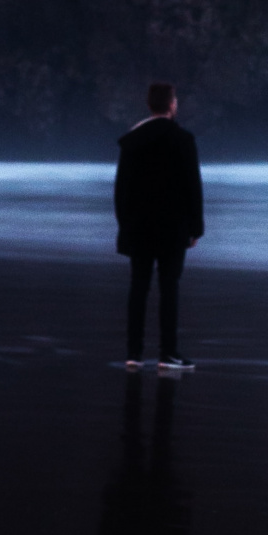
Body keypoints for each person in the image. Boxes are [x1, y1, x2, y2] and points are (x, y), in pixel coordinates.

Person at [114, 82, 204, 371]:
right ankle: (168, 354)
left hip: (139, 226)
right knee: (169, 289)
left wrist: (124, 224)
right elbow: (193, 186)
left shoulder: (132, 140)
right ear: (171, 104)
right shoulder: (183, 139)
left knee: (138, 288)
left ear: (149, 104)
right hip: (172, 227)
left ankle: (134, 354)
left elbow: (121, 189)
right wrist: (196, 227)